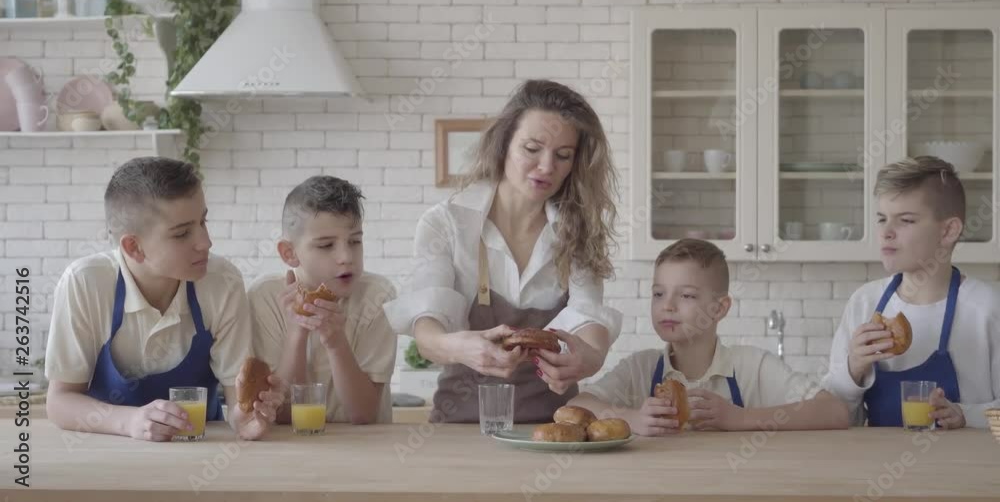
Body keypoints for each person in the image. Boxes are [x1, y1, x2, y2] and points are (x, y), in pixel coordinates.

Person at [385, 79, 623, 423]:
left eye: (563, 155)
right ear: (504, 143)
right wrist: (459, 347)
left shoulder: (577, 230)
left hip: (556, 430)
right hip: (461, 429)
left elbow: (588, 316)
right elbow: (428, 333)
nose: (546, 167)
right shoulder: (446, 224)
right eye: (532, 148)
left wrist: (593, 356)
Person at [45, 157, 283, 441]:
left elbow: (236, 401)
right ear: (133, 247)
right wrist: (130, 422)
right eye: (182, 233)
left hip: (200, 449)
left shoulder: (223, 283)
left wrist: (246, 419)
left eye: (203, 221)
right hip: (105, 456)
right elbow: (60, 402)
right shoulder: (85, 283)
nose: (206, 242)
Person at [569, 239, 848, 435]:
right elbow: (578, 405)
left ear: (720, 308)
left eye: (687, 295)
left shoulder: (753, 366)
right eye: (658, 293)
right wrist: (632, 418)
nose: (667, 305)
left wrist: (740, 418)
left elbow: (834, 412)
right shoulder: (640, 368)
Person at [823, 156, 1000, 429]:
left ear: (948, 231)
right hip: (877, 467)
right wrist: (853, 370)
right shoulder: (864, 303)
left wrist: (966, 416)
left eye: (905, 220)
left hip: (966, 470)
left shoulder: (987, 308)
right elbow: (835, 416)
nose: (886, 232)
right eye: (882, 219)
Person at [249, 176, 397, 424]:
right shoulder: (264, 297)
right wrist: (297, 334)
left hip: (367, 449)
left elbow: (364, 415)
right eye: (326, 245)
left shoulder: (378, 295)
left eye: (355, 241)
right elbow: (283, 416)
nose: (346, 257)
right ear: (290, 253)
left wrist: (336, 342)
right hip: (295, 448)